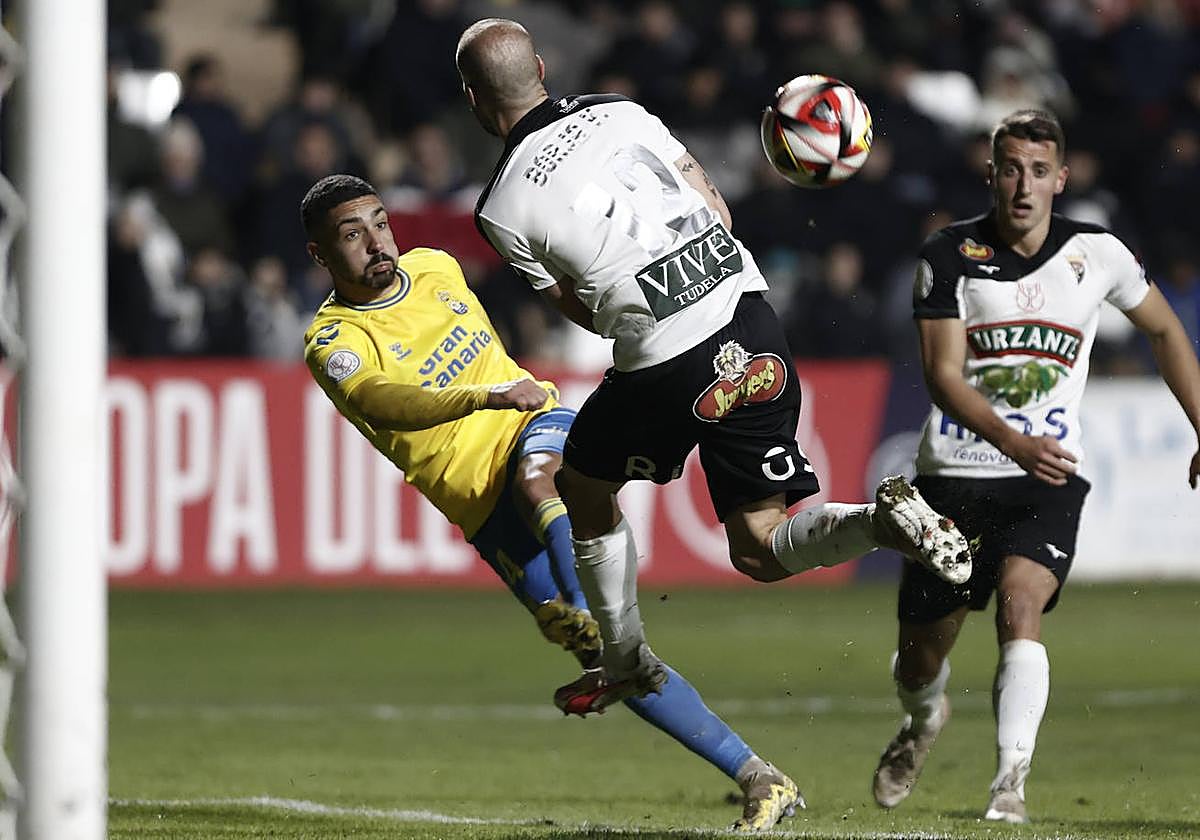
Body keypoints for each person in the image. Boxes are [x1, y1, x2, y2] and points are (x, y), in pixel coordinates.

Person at [455, 15, 973, 811]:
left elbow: (584, 311)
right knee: (761, 546)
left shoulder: (499, 207)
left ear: (472, 99)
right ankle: (880, 522)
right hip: (750, 318)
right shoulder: (620, 110)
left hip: (666, 358)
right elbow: (715, 205)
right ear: (545, 67)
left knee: (581, 486)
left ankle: (624, 653)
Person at [300, 173, 809, 833]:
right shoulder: (332, 341)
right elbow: (387, 402)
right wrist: (477, 396)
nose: (375, 242)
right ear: (320, 255)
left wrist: (501, 392)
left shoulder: (435, 267)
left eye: (379, 223)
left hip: (534, 427)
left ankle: (589, 622)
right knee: (618, 662)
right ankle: (760, 777)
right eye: (351, 234)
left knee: (542, 479)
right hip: (483, 510)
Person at [870, 109, 1200, 823]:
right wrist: (1012, 441)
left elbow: (1167, 329)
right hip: (953, 479)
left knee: (1021, 607)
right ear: (991, 173)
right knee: (921, 659)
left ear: (1062, 178)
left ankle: (1008, 783)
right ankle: (923, 719)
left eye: (1039, 171)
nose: (1024, 186)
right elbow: (943, 376)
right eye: (1012, 169)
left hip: (1046, 480)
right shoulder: (949, 255)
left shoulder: (1098, 255)